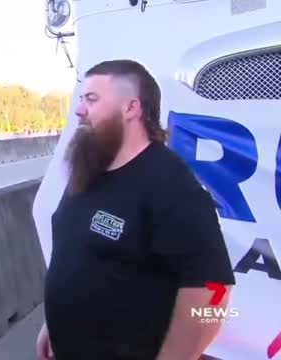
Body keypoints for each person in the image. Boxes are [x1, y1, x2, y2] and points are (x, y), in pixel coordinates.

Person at [36, 59, 236, 360]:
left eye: (91, 99)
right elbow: (73, 254)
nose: (79, 110)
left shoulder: (169, 183)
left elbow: (212, 290)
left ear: (132, 108)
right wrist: (53, 321)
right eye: (81, 99)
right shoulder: (88, 171)